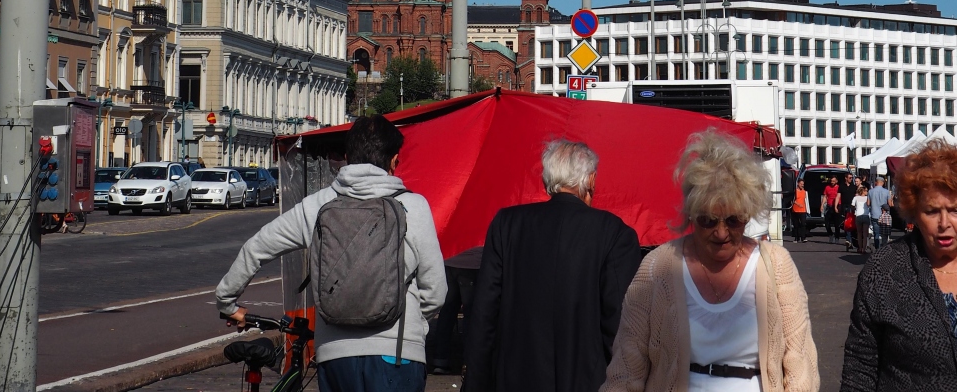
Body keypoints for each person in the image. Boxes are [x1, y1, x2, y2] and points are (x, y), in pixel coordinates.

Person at [216, 115, 446, 392]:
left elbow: (256, 247)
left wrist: (227, 302)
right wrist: (413, 328)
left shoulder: (317, 205)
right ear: (394, 161)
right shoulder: (414, 206)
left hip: (336, 357)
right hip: (398, 355)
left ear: (347, 157)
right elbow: (435, 291)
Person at [601, 129, 819, 392]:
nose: (721, 233)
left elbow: (800, 365)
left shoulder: (777, 264)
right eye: (708, 220)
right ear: (692, 215)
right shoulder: (657, 267)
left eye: (733, 220)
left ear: (748, 214)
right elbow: (626, 372)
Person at [464, 139, 641, 392]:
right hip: (589, 380)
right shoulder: (615, 233)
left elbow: (484, 313)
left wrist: (476, 382)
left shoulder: (508, 224)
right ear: (591, 180)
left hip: (516, 377)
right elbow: (620, 324)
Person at [841, 139, 957, 391]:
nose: (944, 223)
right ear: (914, 212)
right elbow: (861, 366)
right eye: (931, 211)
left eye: (955, 210)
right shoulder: (884, 268)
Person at [867, 176, 892, 250]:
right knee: (884, 234)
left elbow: (868, 203)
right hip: (884, 215)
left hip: (874, 214)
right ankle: (883, 248)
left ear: (876, 182)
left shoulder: (870, 191)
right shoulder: (886, 192)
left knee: (876, 233)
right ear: (882, 183)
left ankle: (877, 248)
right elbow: (890, 204)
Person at [852, 181, 871, 255]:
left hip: (858, 216)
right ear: (863, 191)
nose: (867, 192)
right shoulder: (867, 198)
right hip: (866, 216)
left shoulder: (856, 198)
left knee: (859, 233)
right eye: (866, 190)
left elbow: (852, 206)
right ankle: (864, 249)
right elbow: (869, 205)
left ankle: (860, 248)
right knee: (865, 234)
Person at [823, 175, 842, 244]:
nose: (832, 182)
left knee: (837, 223)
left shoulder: (839, 188)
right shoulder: (827, 187)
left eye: (834, 181)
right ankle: (830, 234)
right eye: (831, 181)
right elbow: (825, 196)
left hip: (837, 206)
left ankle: (837, 237)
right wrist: (822, 205)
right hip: (829, 206)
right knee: (826, 223)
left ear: (836, 181)